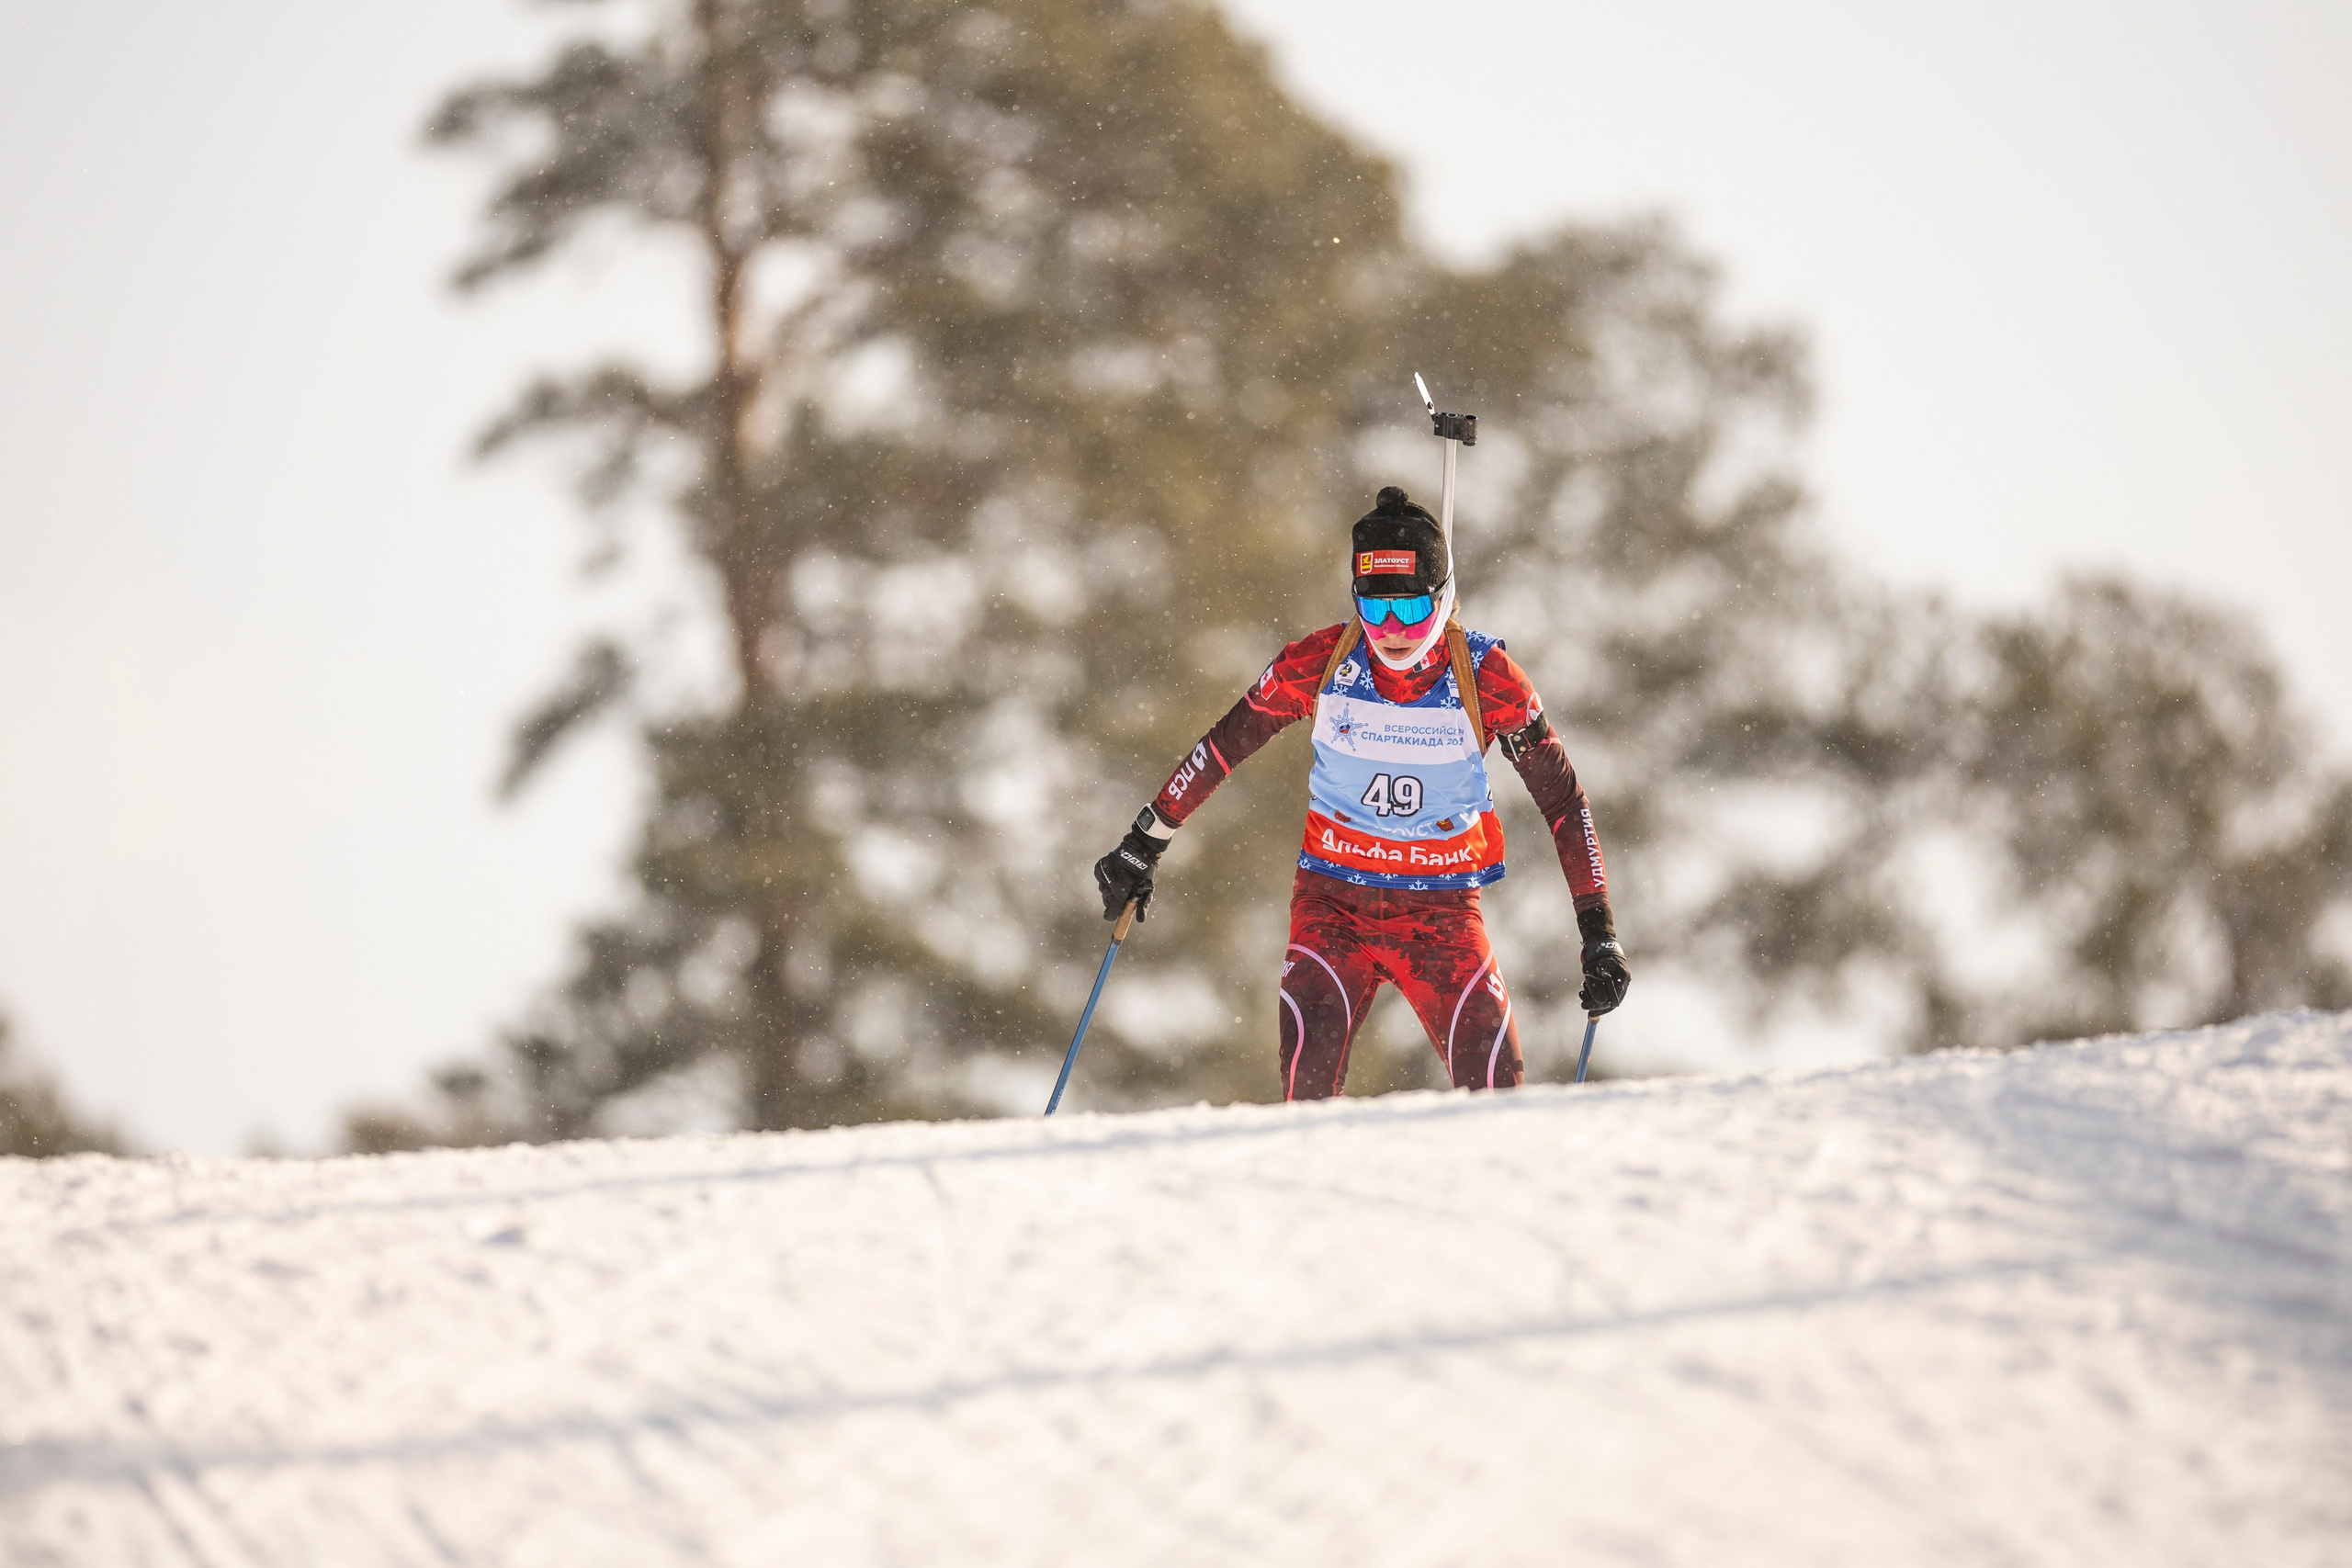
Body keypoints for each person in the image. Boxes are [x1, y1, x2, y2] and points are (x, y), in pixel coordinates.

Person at [1093, 485, 1629, 1100]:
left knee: (1498, 1097)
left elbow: (1562, 802)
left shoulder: (1485, 677)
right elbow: (1223, 747)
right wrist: (1147, 838)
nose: (1393, 631)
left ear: (1443, 599)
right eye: (1375, 611)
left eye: (1411, 611)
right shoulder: (1323, 662)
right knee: (1308, 1094)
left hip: (1442, 919)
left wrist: (1598, 931)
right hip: (1333, 912)